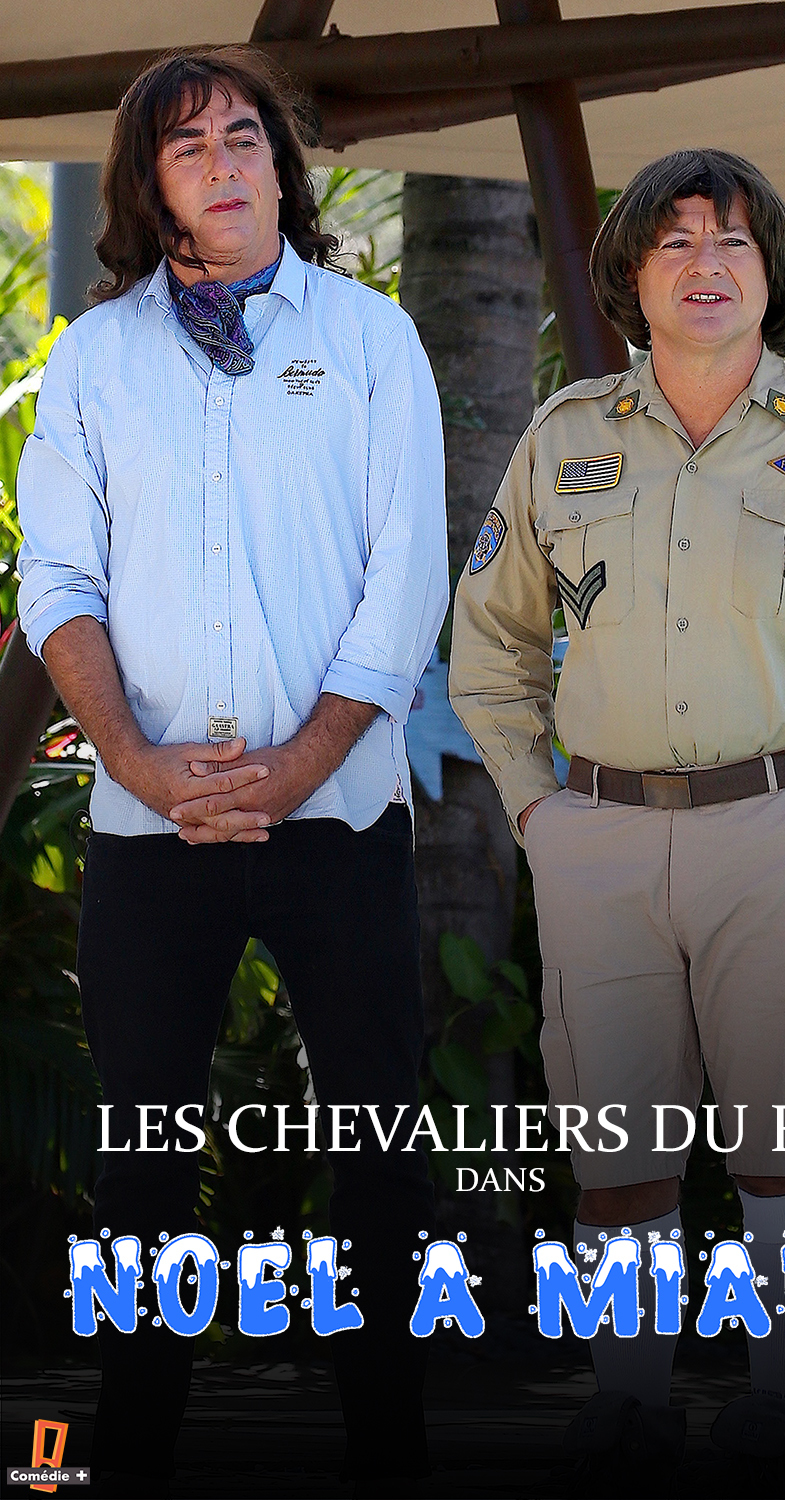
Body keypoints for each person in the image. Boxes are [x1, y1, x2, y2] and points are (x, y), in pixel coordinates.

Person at [448, 148, 785, 1489]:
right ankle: (626, 1403)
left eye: (732, 240)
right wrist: (536, 808)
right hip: (601, 836)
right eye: (675, 240)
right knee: (615, 1149)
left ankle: (781, 1404)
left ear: (771, 273)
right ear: (630, 276)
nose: (705, 264)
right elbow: (490, 648)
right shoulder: (564, 439)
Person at [16, 46, 447, 1499]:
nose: (225, 161)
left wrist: (303, 762)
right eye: (189, 144)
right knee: (141, 1157)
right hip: (153, 831)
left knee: (378, 1147)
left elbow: (406, 575)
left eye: (246, 135)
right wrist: (139, 764)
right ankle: (131, 1455)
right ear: (150, 187)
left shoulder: (374, 338)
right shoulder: (94, 358)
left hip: (338, 817)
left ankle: (391, 1452)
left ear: (281, 165)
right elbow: (57, 581)